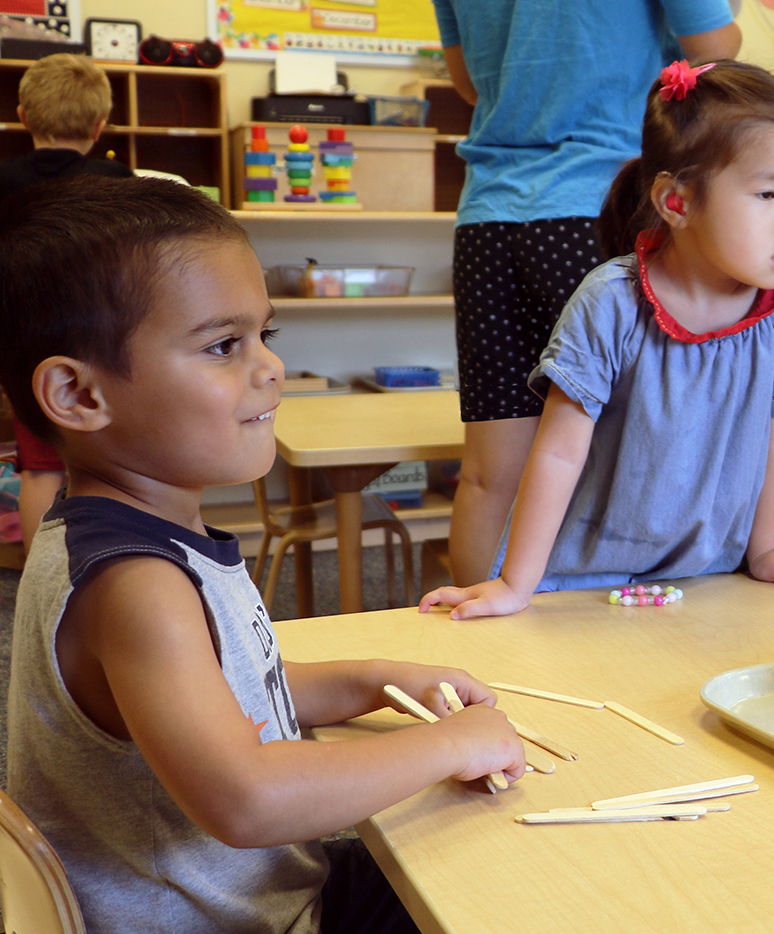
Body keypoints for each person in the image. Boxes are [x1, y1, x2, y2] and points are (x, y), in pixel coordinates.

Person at [0, 176, 525, 933]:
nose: (270, 367)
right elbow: (249, 798)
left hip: (270, 894)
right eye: (222, 345)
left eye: (264, 336)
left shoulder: (107, 534)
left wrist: (373, 681)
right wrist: (452, 745)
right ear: (79, 397)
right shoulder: (135, 584)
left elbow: (230, 690)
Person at [419, 60, 774, 621]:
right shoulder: (611, 302)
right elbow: (555, 451)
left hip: (716, 576)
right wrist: (513, 584)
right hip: (587, 580)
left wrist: (769, 549)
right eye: (768, 194)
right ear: (677, 203)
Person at [427, 0, 741, 587]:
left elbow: (467, 82)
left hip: (490, 218)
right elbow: (715, 45)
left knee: (490, 473)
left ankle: (470, 642)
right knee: (633, 460)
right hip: (599, 205)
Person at [0, 53, 133, 555]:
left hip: (24, 348)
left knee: (39, 467)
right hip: (103, 340)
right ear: (100, 125)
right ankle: (110, 558)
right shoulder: (119, 181)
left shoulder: (3, 180)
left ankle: (43, 579)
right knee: (108, 463)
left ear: (24, 116)